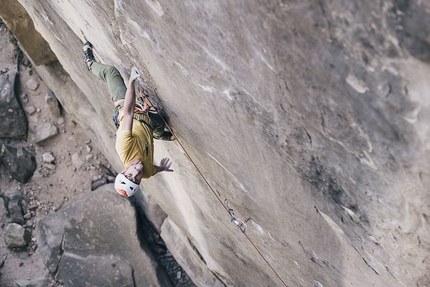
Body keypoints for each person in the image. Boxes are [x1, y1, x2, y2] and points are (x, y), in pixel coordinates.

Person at [82, 41, 174, 197]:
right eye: (136, 179)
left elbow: (129, 111)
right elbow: (153, 170)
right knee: (162, 119)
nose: (136, 173)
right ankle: (157, 133)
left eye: (129, 175)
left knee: (111, 72)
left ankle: (90, 63)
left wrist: (131, 82)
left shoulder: (123, 147)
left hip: (127, 112)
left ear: (124, 170)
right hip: (148, 123)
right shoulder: (146, 173)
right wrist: (162, 168)